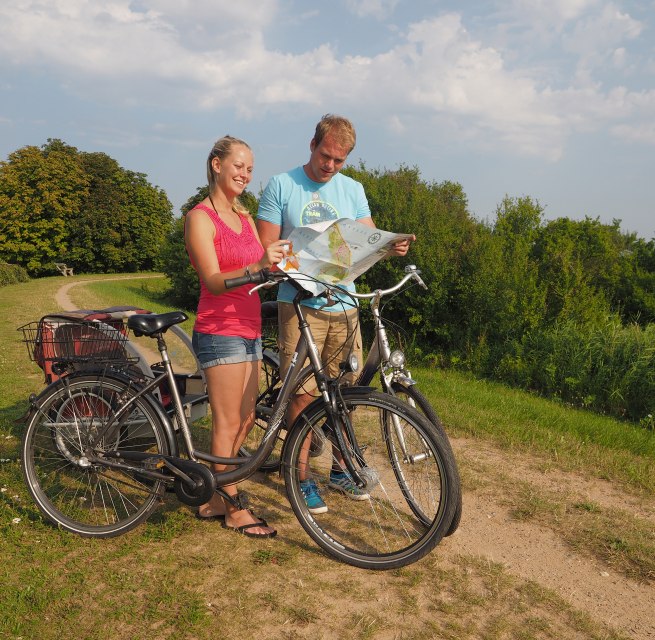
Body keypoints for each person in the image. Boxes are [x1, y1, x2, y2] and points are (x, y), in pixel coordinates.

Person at [257, 114, 414, 513]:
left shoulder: (353, 189)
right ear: (312, 145)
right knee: (302, 394)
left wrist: (391, 246)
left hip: (344, 303)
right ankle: (300, 476)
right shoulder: (282, 185)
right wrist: (288, 261)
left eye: (339, 160)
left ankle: (342, 469)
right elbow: (266, 249)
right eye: (325, 155)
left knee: (345, 392)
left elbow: (369, 239)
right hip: (300, 303)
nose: (330, 165)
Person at [185, 135, 288, 537]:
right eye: (239, 166)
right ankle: (232, 506)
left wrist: (282, 264)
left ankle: (213, 496)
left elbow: (261, 268)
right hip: (219, 329)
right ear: (217, 165)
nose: (245, 174)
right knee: (227, 423)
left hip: (250, 328)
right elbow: (213, 279)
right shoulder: (200, 218)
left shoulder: (244, 218)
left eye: (250, 169)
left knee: (245, 419)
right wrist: (259, 266)